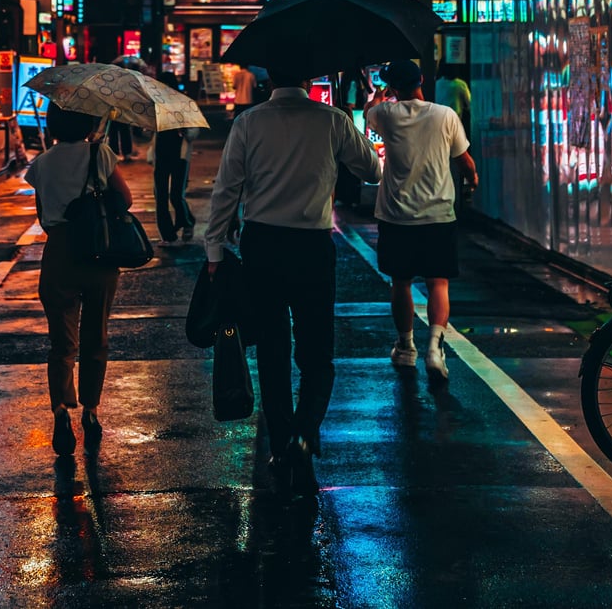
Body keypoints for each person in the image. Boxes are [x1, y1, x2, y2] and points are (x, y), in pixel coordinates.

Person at [205, 66, 382, 496]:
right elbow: (373, 171)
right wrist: (348, 121)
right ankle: (306, 432)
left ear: (269, 79)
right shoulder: (332, 120)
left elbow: (227, 188)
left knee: (272, 348)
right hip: (313, 248)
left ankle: (282, 442)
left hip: (262, 245)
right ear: (309, 77)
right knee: (317, 352)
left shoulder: (248, 122)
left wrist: (214, 250)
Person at [28, 102, 134, 456]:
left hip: (59, 253)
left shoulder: (41, 163)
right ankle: (90, 410)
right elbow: (126, 199)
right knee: (96, 335)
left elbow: (43, 216)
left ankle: (61, 409)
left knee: (62, 340)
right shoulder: (100, 153)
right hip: (98, 251)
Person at [366, 58, 478, 387]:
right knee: (437, 282)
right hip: (438, 213)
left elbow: (368, 112)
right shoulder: (445, 115)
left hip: (396, 214)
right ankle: (435, 348)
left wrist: (378, 95)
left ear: (394, 88)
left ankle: (406, 346)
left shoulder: (385, 113)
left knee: (400, 283)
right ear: (421, 83)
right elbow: (464, 161)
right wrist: (472, 179)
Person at [154, 125, 196, 245]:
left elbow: (194, 132)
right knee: (161, 196)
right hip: (160, 156)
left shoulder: (183, 110)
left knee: (176, 195)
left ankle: (187, 222)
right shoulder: (159, 110)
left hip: (180, 157)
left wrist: (184, 131)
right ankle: (167, 235)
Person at [434, 63, 472, 136]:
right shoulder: (460, 84)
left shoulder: (437, 84)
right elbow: (470, 104)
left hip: (438, 123)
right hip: (454, 124)